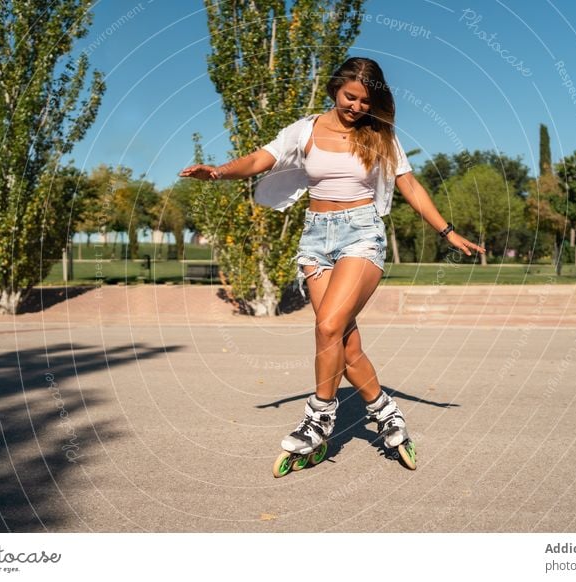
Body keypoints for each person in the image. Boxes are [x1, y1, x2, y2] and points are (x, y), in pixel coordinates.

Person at [179, 57, 485, 476]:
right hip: (315, 239)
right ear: (335, 89)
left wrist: (448, 231)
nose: (357, 106)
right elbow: (260, 159)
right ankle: (386, 412)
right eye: (350, 96)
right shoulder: (304, 130)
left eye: (366, 100)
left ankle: (319, 417)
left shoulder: (381, 136)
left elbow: (409, 185)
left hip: (361, 234)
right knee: (344, 341)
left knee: (326, 328)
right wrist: (217, 172)